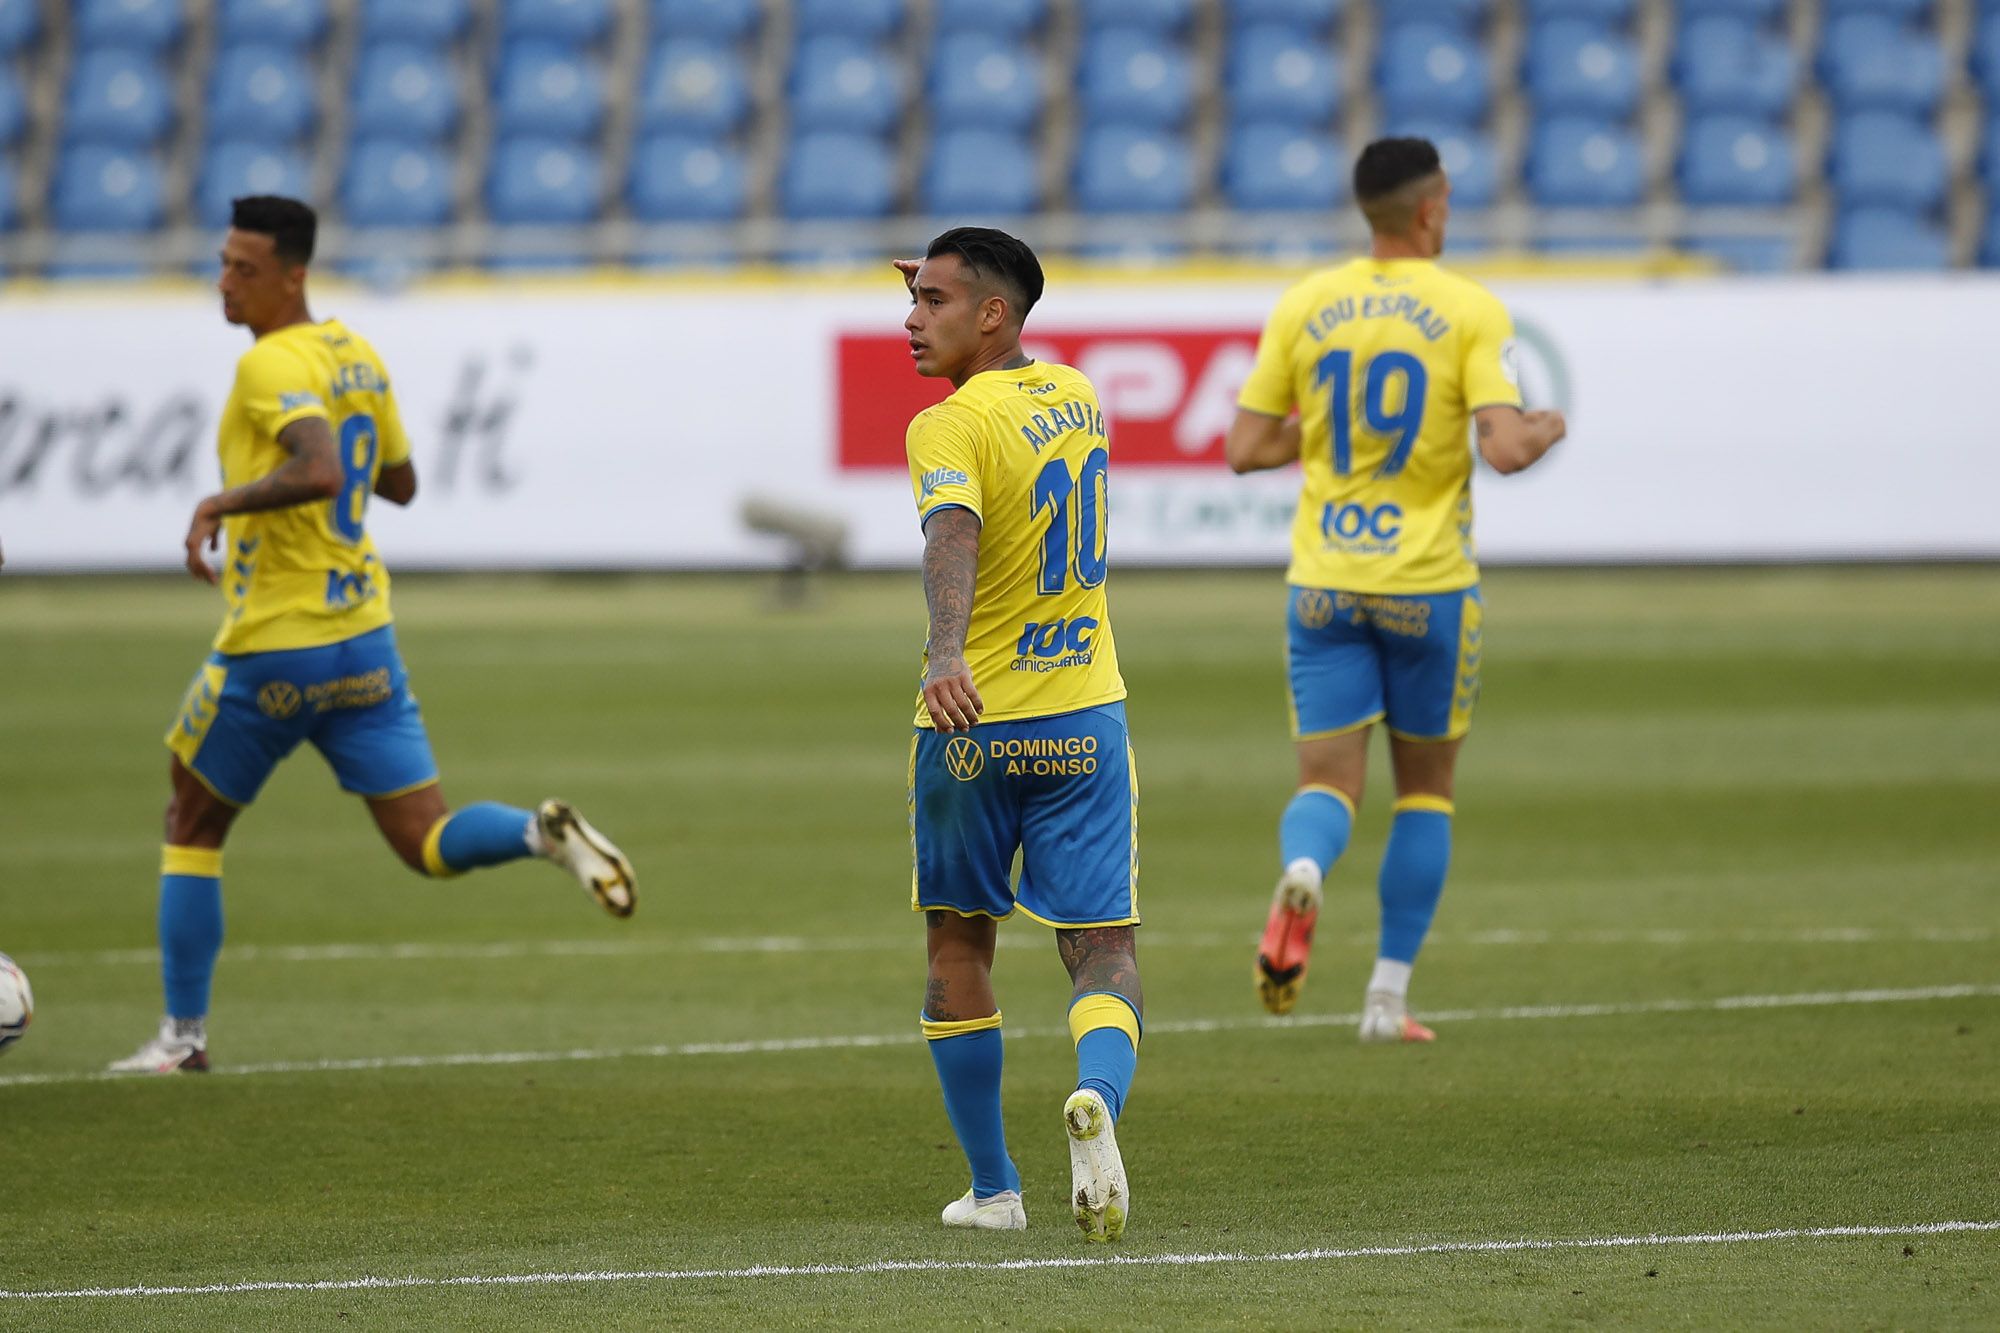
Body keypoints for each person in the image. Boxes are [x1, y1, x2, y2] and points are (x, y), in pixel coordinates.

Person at [110, 196, 637, 1075]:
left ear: (294, 274)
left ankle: (182, 1039)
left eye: (245, 269)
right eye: (224, 263)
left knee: (191, 824)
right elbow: (398, 480)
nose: (225, 283)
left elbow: (319, 467)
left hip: (277, 642)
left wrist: (220, 501)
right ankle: (536, 836)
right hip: (365, 641)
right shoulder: (353, 352)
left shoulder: (270, 363)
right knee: (425, 842)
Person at [1226, 139, 1566, 1043]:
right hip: (1429, 590)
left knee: (1327, 782)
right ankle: (1384, 998)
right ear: (1432, 207)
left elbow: (1245, 448)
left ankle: (1304, 865)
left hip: (1325, 587)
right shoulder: (1468, 310)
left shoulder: (1307, 303)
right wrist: (1548, 426)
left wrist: (1328, 432)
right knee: (1425, 792)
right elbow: (1502, 448)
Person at [897, 228, 1142, 1242]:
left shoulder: (946, 424)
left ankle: (995, 1189)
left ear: (991, 315)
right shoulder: (1080, 395)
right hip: (1082, 715)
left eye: (935, 301)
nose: (912, 319)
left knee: (958, 941)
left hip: (968, 726)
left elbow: (953, 530)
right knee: (1101, 951)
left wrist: (946, 652)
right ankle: (1096, 1099)